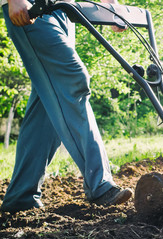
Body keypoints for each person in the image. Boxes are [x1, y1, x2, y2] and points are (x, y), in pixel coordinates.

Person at [0, 0, 133, 213]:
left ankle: (20, 197)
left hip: (63, 11)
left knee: (47, 106)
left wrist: (110, 5)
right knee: (73, 81)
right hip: (32, 8)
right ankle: (100, 185)